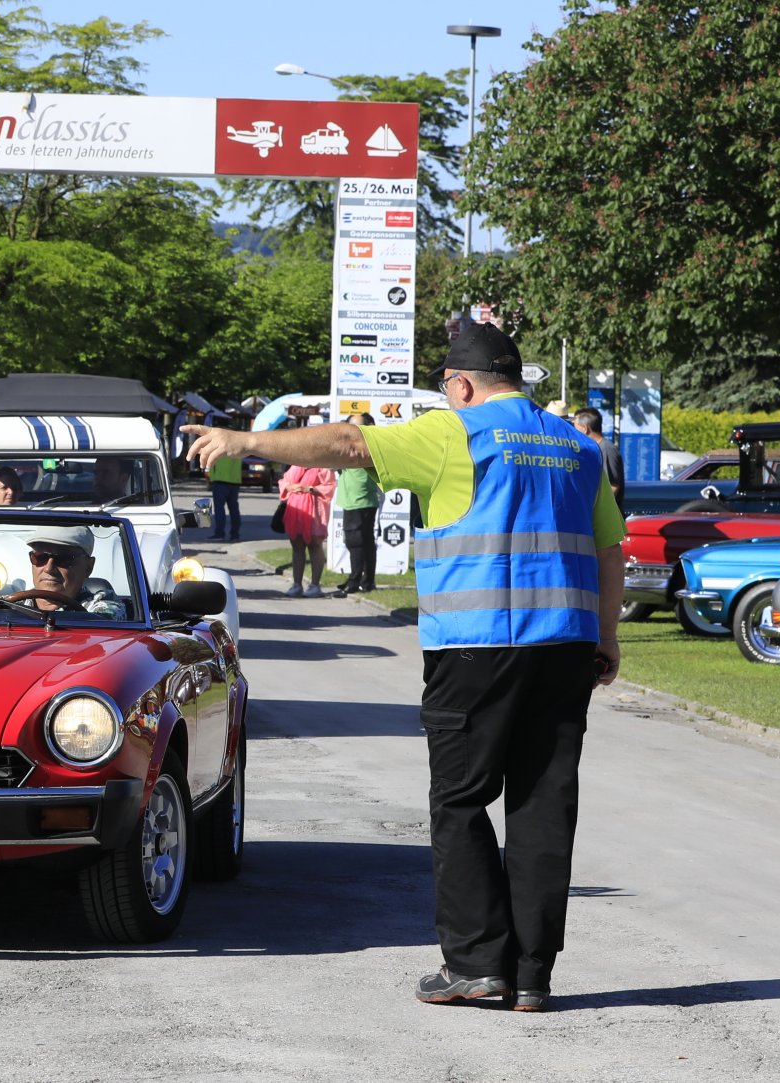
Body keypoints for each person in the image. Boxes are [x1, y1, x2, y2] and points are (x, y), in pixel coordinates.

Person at [182, 321, 624, 1011]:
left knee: (461, 798)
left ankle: (476, 963)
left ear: (461, 384)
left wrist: (246, 442)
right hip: (566, 645)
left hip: (475, 645)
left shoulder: (456, 432)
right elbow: (609, 550)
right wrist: (608, 637)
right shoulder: (577, 445)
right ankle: (533, 974)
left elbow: (350, 444)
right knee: (543, 805)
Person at [18, 524, 125, 618]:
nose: (48, 568)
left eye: (63, 559)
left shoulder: (100, 605)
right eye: (40, 557)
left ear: (88, 567)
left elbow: (107, 618)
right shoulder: (13, 604)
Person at [335, 412, 382, 595]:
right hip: (360, 499)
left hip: (358, 499)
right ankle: (366, 581)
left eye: (355, 426)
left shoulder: (361, 445)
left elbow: (334, 459)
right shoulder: (366, 444)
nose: (351, 430)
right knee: (365, 542)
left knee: (355, 542)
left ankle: (355, 581)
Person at [278, 464, 335, 597]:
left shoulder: (323, 466)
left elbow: (330, 487)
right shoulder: (295, 464)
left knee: (315, 545)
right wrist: (289, 487)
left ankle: (315, 585)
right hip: (295, 508)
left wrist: (309, 488)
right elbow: (284, 481)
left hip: (315, 510)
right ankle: (297, 584)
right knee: (297, 546)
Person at [570, 406, 625, 509]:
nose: (573, 432)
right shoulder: (596, 449)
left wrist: (592, 509)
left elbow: (613, 486)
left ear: (585, 429)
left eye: (575, 427)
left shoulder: (606, 449)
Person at [207, 425, 243, 541]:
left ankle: (219, 533)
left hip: (220, 480)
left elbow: (212, 461)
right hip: (234, 481)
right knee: (234, 509)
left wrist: (210, 476)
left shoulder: (220, 446)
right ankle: (235, 534)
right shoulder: (238, 447)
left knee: (219, 509)